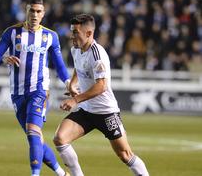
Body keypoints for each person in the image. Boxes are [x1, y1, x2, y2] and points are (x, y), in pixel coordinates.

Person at [53, 14, 149, 176]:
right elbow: (78, 66)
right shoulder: (76, 49)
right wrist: (73, 84)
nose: (72, 36)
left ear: (89, 33)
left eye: (76, 32)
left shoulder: (98, 55)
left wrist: (75, 99)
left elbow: (101, 86)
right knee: (60, 139)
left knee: (125, 155)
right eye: (72, 31)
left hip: (106, 112)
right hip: (86, 110)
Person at [0, 0, 70, 176]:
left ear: (43, 14)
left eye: (38, 11)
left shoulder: (50, 36)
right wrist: (4, 59)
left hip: (39, 91)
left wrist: (68, 83)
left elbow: (59, 65)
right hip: (17, 94)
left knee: (33, 131)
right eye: (31, 10)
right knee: (35, 139)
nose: (35, 14)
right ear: (26, 11)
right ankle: (62, 174)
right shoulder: (11, 32)